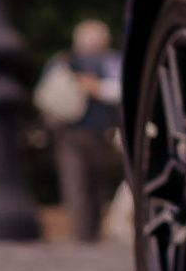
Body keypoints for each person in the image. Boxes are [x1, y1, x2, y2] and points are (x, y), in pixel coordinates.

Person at [40, 20, 126, 244]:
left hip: (98, 131)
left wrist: (96, 87)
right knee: (79, 182)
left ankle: (89, 232)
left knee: (92, 182)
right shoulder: (66, 61)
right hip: (74, 131)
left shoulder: (109, 60)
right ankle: (85, 233)